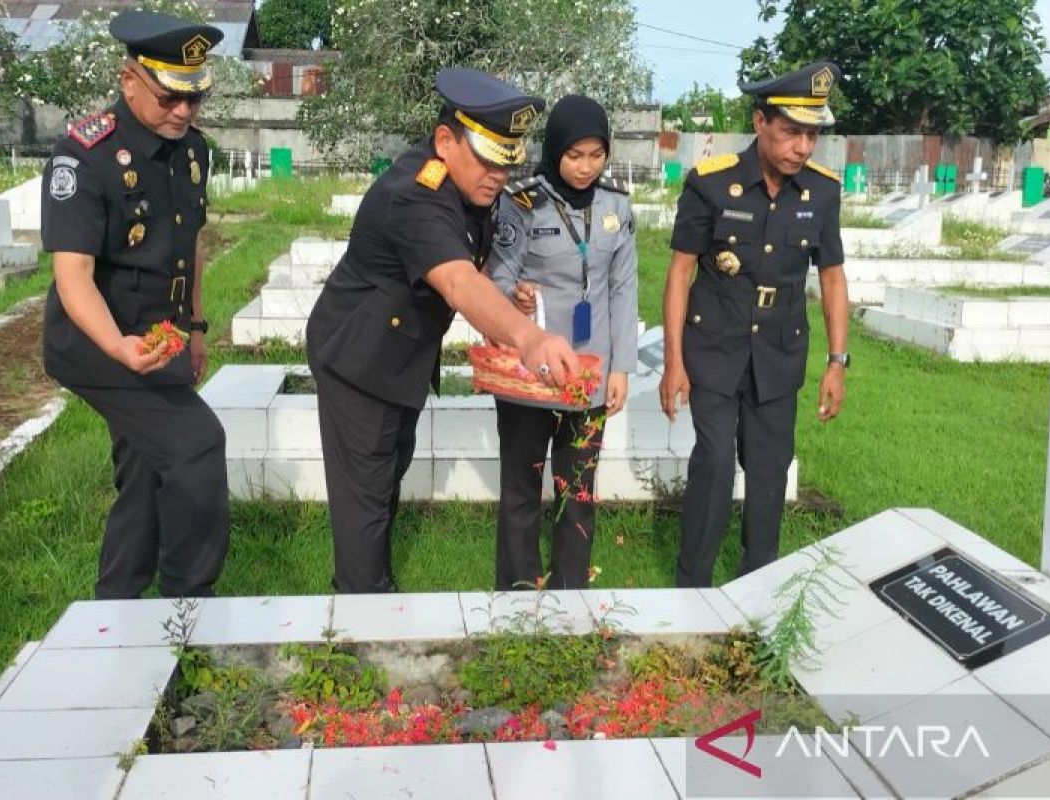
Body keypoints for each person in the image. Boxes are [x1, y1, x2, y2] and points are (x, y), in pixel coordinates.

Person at [306, 68, 580, 594]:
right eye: (486, 159)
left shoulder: (470, 186)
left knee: (385, 482)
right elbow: (455, 280)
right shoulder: (415, 193)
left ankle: (370, 586)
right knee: (363, 499)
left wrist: (506, 303)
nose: (497, 176)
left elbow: (470, 270)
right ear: (445, 141)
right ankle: (361, 616)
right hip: (359, 360)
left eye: (507, 162)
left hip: (400, 358)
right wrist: (528, 337)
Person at [40, 10, 229, 599]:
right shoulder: (85, 157)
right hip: (99, 340)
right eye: (170, 98)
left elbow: (190, 242)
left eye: (194, 100)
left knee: (148, 470)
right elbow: (73, 277)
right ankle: (186, 607)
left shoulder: (192, 152)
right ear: (130, 81)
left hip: (160, 337)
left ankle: (115, 609)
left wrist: (195, 327)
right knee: (197, 447)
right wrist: (119, 347)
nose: (183, 113)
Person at [659, 61, 851, 587]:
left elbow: (832, 278)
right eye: (792, 131)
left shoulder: (822, 193)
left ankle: (756, 587)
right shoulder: (711, 185)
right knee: (716, 462)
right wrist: (673, 362)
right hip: (715, 348)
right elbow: (679, 273)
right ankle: (692, 585)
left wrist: (837, 362)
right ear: (760, 121)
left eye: (812, 134)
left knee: (769, 474)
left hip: (780, 353)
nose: (803, 147)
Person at [488, 95, 637, 591]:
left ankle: (572, 593)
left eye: (597, 156)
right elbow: (498, 277)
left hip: (589, 374)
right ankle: (518, 591)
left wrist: (620, 369)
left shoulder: (616, 204)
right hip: (531, 372)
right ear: (555, 151)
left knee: (578, 488)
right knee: (522, 485)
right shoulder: (523, 201)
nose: (585, 167)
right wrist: (517, 296)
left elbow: (622, 288)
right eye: (575, 155)